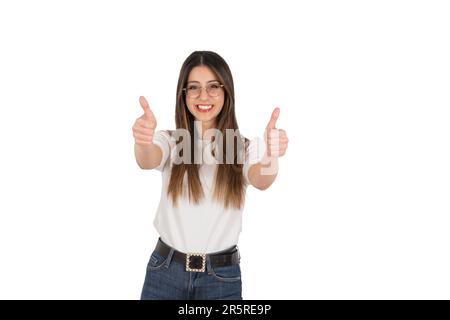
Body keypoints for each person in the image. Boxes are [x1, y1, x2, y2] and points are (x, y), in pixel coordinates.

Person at [132, 51, 289, 300]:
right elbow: (147, 158)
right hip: (164, 272)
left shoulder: (245, 147)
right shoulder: (171, 141)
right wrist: (142, 141)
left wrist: (271, 154)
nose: (203, 96)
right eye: (193, 88)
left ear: (227, 92)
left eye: (213, 87)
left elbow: (262, 180)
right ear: (183, 95)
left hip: (220, 278)